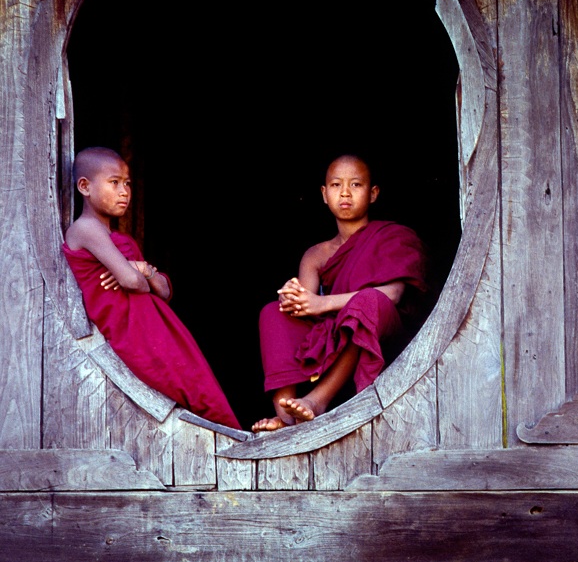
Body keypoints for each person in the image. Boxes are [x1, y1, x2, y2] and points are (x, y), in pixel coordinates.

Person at [62, 147, 240, 429]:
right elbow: (131, 282)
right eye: (114, 182)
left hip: (154, 327)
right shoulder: (85, 229)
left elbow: (164, 290)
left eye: (128, 183)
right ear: (84, 186)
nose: (124, 191)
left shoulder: (121, 239)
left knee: (197, 381)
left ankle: (231, 435)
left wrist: (143, 270)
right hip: (132, 332)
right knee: (190, 387)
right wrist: (137, 274)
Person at [254, 155, 427, 431]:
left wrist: (321, 303)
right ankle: (286, 415)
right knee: (272, 313)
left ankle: (317, 401)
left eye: (356, 185)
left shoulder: (393, 236)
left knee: (367, 302)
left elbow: (391, 295)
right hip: (332, 334)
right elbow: (303, 310)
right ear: (324, 194)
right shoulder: (315, 255)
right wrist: (291, 298)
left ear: (373, 194)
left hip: (380, 333)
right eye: (336, 185)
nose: (345, 193)